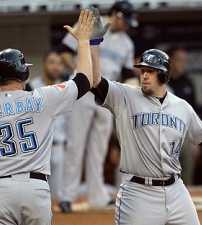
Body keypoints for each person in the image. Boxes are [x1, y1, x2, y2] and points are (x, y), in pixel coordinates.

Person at [0, 9, 96, 224]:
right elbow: (84, 81)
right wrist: (83, 42)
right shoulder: (44, 97)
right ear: (24, 74)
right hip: (35, 189)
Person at [90, 48, 202, 224]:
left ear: (164, 74)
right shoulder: (126, 95)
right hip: (139, 193)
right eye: (142, 71)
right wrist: (93, 46)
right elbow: (95, 82)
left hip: (175, 190)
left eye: (150, 71)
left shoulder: (181, 106)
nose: (144, 76)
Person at [58, 0, 139, 212]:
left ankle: (97, 196)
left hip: (105, 93)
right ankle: (67, 196)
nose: (128, 26)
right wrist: (80, 72)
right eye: (126, 20)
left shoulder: (126, 44)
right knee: (76, 144)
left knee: (99, 148)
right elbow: (64, 51)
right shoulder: (90, 23)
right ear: (115, 13)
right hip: (82, 91)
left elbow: (129, 75)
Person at [29, 50, 67, 196]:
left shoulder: (65, 88)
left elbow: (68, 118)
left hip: (59, 145)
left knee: (57, 193)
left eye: (59, 63)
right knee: (37, 193)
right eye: (52, 62)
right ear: (43, 65)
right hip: (38, 148)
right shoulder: (32, 87)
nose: (56, 67)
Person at [166, 45, 198, 186]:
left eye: (185, 60)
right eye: (180, 60)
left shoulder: (188, 83)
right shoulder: (162, 81)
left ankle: (186, 196)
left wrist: (195, 140)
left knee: (187, 151)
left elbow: (193, 113)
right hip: (163, 132)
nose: (183, 64)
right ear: (170, 61)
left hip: (183, 135)